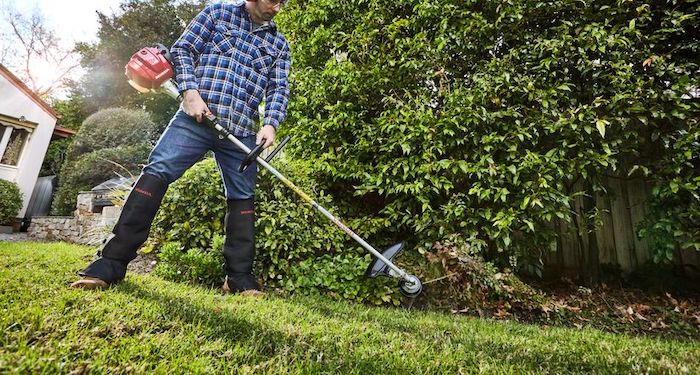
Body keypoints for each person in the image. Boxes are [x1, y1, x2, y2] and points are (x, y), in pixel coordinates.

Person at [70, 0, 291, 296]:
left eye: (282, 2)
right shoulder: (217, 13)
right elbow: (184, 49)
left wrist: (271, 124)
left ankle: (238, 278)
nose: (277, 8)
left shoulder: (278, 43)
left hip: (240, 130)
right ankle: (109, 263)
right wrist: (189, 91)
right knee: (157, 173)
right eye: (272, 0)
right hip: (194, 119)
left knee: (243, 196)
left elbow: (278, 88)